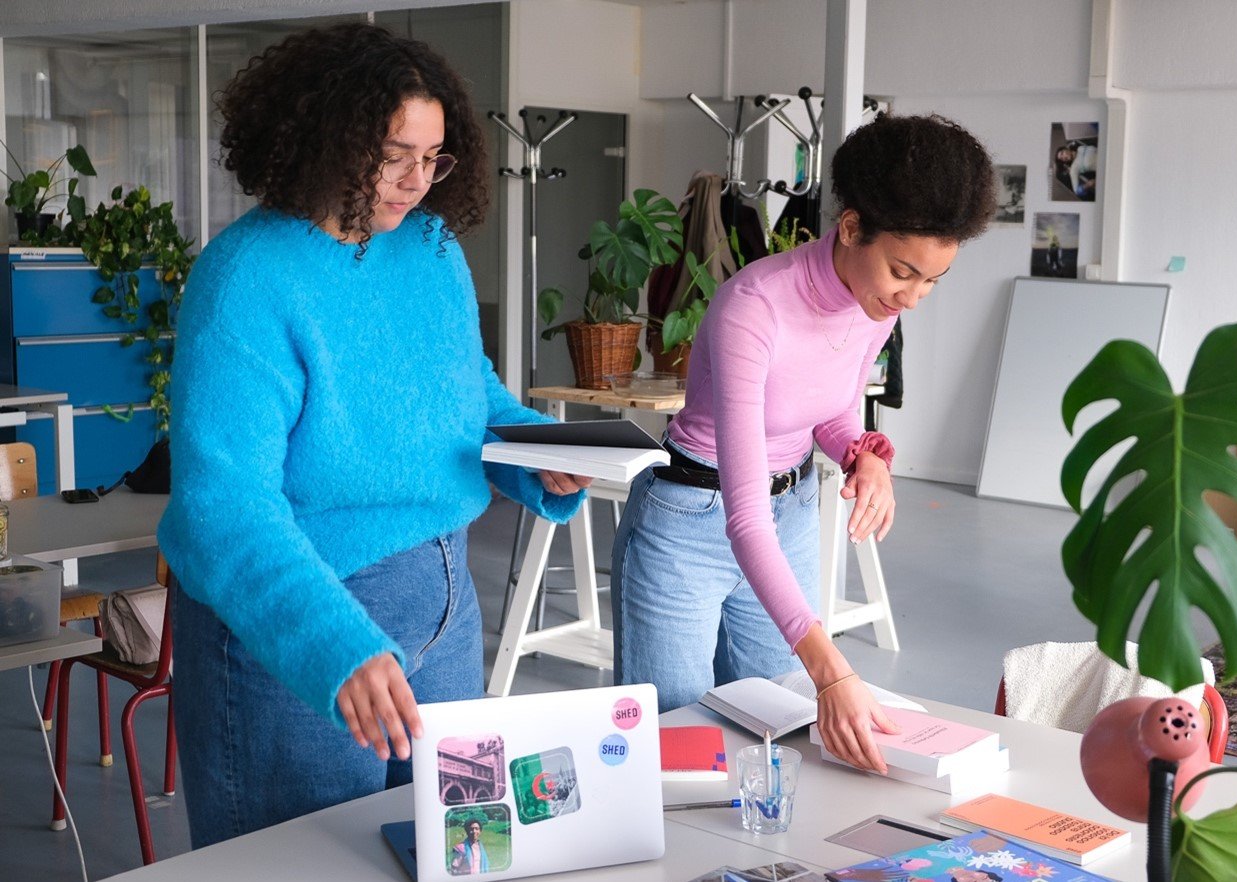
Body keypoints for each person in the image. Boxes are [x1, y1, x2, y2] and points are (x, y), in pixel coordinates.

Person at [158, 23, 590, 847]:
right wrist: (336, 642)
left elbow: (469, 393)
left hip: (447, 609)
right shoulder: (245, 279)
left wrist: (539, 450)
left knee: (458, 848)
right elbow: (222, 509)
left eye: (434, 158)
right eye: (395, 154)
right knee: (305, 862)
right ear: (326, 138)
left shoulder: (429, 248)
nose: (417, 181)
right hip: (300, 624)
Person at [611, 114, 995, 772]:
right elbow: (743, 516)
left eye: (933, 280)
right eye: (904, 271)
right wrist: (832, 668)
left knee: (776, 737)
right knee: (672, 747)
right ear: (850, 228)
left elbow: (831, 406)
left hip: (788, 516)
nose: (914, 297)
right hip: (692, 525)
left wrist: (864, 454)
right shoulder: (753, 308)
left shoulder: (873, 303)